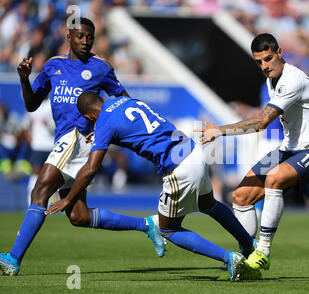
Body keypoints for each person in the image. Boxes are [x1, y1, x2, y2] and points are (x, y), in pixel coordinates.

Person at [0, 17, 164, 276]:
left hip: (78, 140)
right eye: (80, 36)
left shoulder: (101, 68)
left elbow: (125, 103)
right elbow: (32, 105)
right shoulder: (53, 66)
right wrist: (24, 80)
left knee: (40, 191)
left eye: (90, 37)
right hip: (64, 142)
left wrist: (106, 131)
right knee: (79, 216)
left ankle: (13, 258)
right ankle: (146, 224)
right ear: (69, 38)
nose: (86, 41)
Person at [45, 92, 257, 281]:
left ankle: (230, 259)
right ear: (102, 99)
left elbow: (90, 169)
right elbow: (136, 131)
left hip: (177, 168)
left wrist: (68, 198)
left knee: (167, 229)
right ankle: (249, 245)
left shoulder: (103, 123)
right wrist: (102, 134)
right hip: (193, 152)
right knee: (209, 205)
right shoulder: (124, 101)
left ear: (89, 117)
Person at [197, 33, 309, 272]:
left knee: (274, 179)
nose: (264, 66)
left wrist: (220, 131)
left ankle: (264, 251)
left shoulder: (294, 79)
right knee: (240, 197)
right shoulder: (271, 81)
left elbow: (261, 122)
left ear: (280, 52)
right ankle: (247, 258)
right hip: (288, 150)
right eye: (259, 62)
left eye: (268, 59)